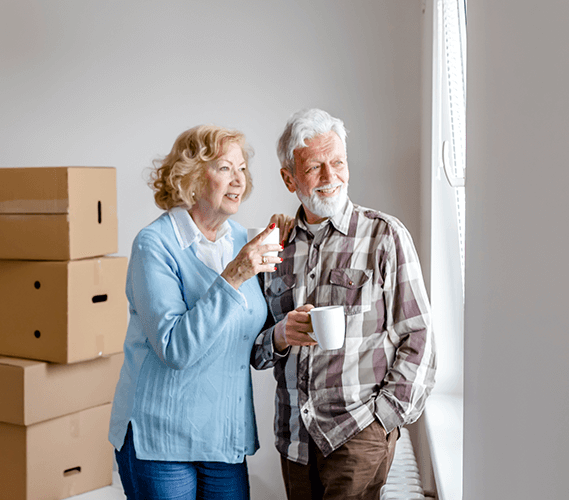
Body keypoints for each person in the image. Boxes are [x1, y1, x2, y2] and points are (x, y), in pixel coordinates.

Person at [252, 108, 437, 500]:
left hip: (358, 435)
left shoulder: (384, 236)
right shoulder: (274, 247)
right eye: (315, 167)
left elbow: (418, 335)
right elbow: (254, 347)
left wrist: (383, 419)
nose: (330, 177)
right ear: (289, 179)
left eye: (337, 162)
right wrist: (281, 335)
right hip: (295, 443)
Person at [109, 124, 286, 500]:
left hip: (223, 437)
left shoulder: (242, 240)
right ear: (190, 175)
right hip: (160, 440)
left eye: (242, 169)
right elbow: (175, 348)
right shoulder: (154, 245)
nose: (239, 180)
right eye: (224, 168)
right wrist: (235, 274)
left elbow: (246, 335)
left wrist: (285, 333)